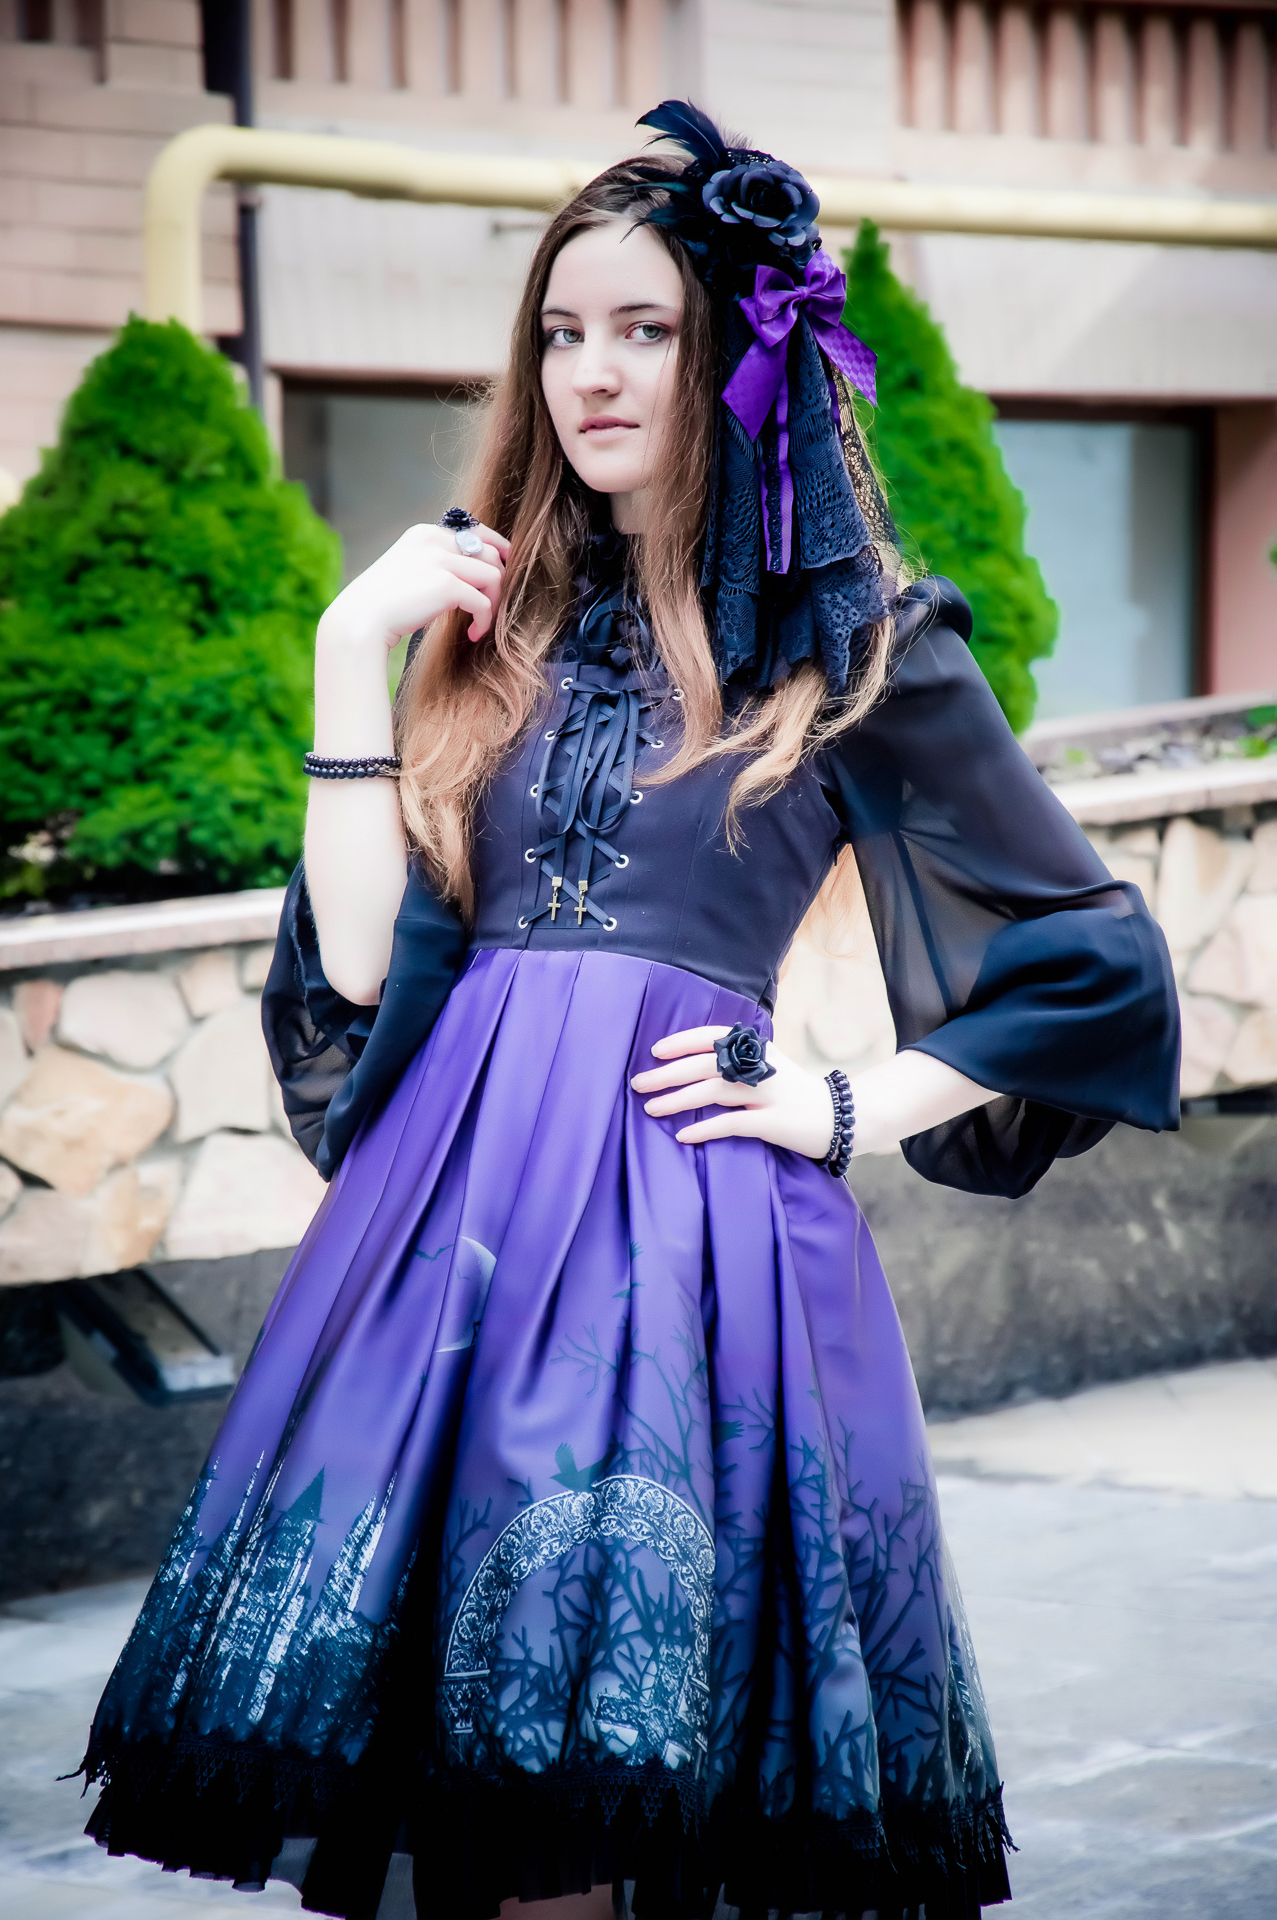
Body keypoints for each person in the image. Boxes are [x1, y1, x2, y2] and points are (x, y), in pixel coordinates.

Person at [81, 102, 1180, 1920]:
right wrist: (350, 649)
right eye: (561, 332)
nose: (590, 373)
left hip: (686, 1240)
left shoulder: (858, 642)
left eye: (645, 330)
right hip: (447, 1244)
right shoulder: (485, 615)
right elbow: (351, 968)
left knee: (596, 1774)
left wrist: (840, 1104)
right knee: (464, 1784)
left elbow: (1089, 959)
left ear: (735, 353)